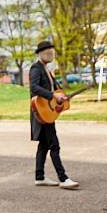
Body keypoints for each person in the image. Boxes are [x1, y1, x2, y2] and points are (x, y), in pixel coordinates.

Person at [29, 41, 79, 190]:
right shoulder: (36, 68)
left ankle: (40, 177)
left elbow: (55, 91)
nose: (51, 55)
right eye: (49, 53)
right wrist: (52, 95)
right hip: (41, 111)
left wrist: (61, 96)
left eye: (52, 53)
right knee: (54, 145)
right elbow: (33, 87)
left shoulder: (47, 69)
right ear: (41, 53)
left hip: (48, 112)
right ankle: (63, 178)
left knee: (44, 145)